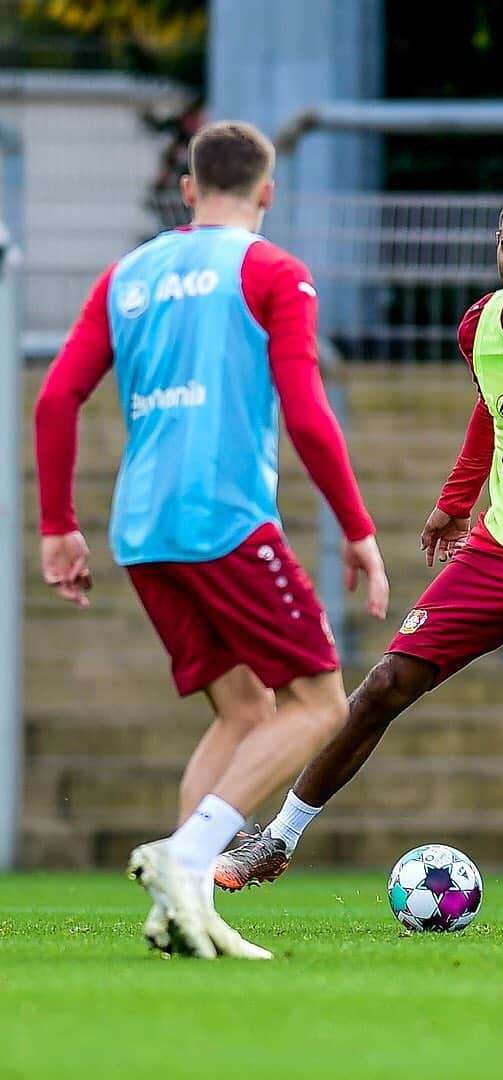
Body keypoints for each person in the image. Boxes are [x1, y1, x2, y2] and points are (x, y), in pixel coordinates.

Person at [215, 189, 503, 934]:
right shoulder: (479, 327)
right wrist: (454, 500)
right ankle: (279, 840)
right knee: (382, 683)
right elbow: (493, 410)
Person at [35, 120, 388, 959]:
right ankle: (186, 856)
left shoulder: (128, 274)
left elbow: (56, 399)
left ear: (189, 190)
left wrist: (58, 527)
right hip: (224, 519)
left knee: (242, 708)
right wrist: (358, 529)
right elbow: (305, 411)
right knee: (319, 703)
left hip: (143, 527)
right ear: (269, 192)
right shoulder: (272, 270)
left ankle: (182, 909)